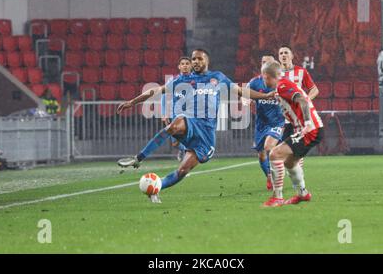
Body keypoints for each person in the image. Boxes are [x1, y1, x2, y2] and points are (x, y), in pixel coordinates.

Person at [117, 49, 275, 203]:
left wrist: (265, 95)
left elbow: (242, 91)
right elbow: (157, 90)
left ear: (207, 61)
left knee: (182, 170)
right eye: (194, 59)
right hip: (190, 122)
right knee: (174, 126)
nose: (196, 62)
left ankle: (156, 188)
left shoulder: (218, 77)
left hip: (206, 134)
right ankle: (139, 158)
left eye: (199, 59)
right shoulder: (183, 80)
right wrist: (133, 102)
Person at [259, 61, 324, 207]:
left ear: (268, 76)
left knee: (275, 154)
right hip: (311, 129)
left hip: (310, 129)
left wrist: (307, 123)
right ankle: (303, 194)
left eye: (264, 78)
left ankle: (277, 197)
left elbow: (303, 101)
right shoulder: (281, 87)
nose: (263, 81)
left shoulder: (282, 85)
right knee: (289, 162)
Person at [278, 46, 319, 176]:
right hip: (282, 118)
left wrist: (305, 101)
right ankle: (294, 175)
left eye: (286, 53)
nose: (283, 55)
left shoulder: (301, 72)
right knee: (283, 150)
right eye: (281, 53)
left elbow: (314, 90)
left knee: (297, 149)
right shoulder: (276, 74)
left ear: (291, 56)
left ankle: (298, 176)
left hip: (298, 119)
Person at [246, 57, 285, 191]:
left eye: (268, 62)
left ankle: (278, 178)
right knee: (261, 154)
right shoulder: (255, 82)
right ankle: (269, 175)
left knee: (269, 147)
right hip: (261, 124)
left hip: (277, 122)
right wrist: (246, 101)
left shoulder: (281, 82)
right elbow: (244, 94)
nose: (265, 64)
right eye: (263, 62)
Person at [161, 56, 192, 162]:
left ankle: (186, 161)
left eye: (187, 64)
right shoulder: (173, 80)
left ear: (191, 66)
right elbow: (164, 96)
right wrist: (164, 113)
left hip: (190, 114)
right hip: (176, 114)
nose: (185, 66)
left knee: (187, 138)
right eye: (182, 64)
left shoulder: (196, 79)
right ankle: (182, 150)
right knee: (175, 142)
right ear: (179, 66)